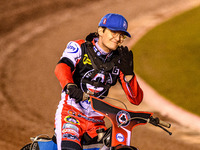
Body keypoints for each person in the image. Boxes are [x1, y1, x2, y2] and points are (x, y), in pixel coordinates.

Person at [54, 13, 143, 150]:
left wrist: (129, 75)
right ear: (101, 31)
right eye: (113, 32)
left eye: (121, 35)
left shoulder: (120, 60)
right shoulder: (79, 47)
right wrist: (70, 85)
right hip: (71, 113)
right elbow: (62, 67)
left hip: (96, 122)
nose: (118, 38)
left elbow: (135, 100)